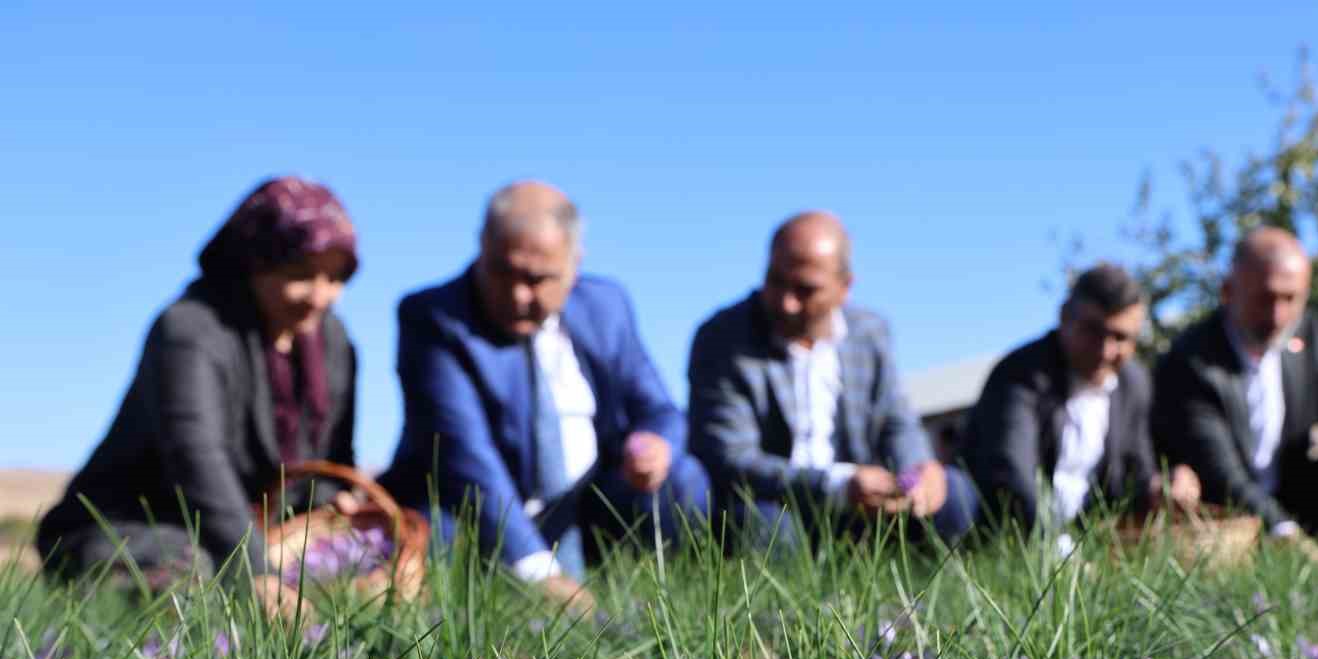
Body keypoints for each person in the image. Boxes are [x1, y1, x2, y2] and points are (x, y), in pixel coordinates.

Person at [36, 177, 361, 619]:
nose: (320, 296)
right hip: (136, 527)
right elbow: (196, 457)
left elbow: (328, 457)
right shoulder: (189, 330)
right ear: (255, 264)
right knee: (193, 571)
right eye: (300, 275)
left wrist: (333, 502)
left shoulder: (332, 344)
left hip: (256, 532)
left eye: (336, 277)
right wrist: (256, 570)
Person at [380, 181, 709, 609]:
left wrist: (654, 443)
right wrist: (536, 570)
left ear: (574, 264)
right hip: (473, 510)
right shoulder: (433, 318)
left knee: (684, 479)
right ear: (482, 247)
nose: (518, 294)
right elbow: (465, 455)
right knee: (434, 536)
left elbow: (657, 406)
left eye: (538, 279)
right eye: (503, 271)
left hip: (586, 504)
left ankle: (661, 601)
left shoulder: (606, 307)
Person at [688, 211, 976, 549]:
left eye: (805, 289)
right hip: (779, 504)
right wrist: (837, 485)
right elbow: (730, 457)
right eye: (775, 281)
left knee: (954, 493)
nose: (786, 302)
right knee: (763, 526)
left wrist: (919, 469)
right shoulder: (723, 338)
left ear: (844, 287)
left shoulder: (870, 333)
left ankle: (922, 594)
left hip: (866, 509)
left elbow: (896, 421)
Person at [1152, 227, 1318, 545]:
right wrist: (1284, 533)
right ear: (1229, 291)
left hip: (1295, 495)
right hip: (1224, 518)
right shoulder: (1191, 361)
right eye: (1265, 298)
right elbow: (1222, 475)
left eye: (1291, 299)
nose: (1278, 315)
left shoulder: (1305, 336)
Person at [961, 263, 1200, 552]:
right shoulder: (1019, 375)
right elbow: (1011, 476)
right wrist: (1058, 551)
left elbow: (1135, 472)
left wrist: (1160, 487)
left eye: (1121, 338)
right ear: (1064, 318)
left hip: (1089, 545)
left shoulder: (1133, 385)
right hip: (1007, 543)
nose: (1105, 351)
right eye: (1093, 331)